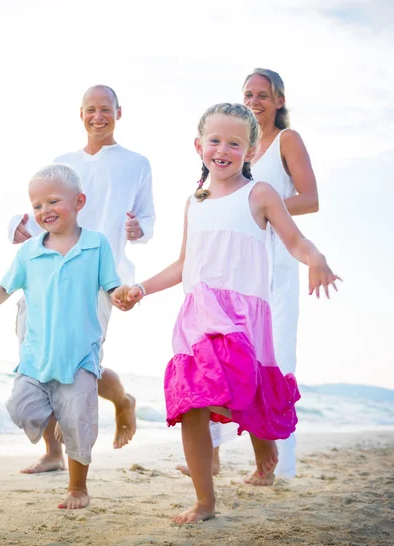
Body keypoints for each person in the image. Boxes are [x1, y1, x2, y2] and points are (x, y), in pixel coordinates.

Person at [111, 103, 340, 524]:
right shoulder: (193, 201)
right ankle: (205, 501)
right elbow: (185, 263)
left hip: (241, 315)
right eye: (215, 141)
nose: (223, 149)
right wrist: (141, 289)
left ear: (250, 152)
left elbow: (294, 240)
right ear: (199, 146)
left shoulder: (261, 195)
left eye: (234, 143)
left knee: (233, 385)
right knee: (191, 402)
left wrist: (317, 259)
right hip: (198, 312)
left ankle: (260, 433)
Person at [178, 68, 320, 485]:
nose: (255, 100)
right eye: (248, 93)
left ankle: (277, 462)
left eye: (263, 94)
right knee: (214, 361)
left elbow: (310, 199)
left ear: (279, 100)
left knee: (266, 363)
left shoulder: (283, 145)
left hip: (268, 262)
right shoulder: (218, 173)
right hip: (222, 266)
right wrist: (232, 205)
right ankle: (214, 456)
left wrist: (258, 208)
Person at [7, 85, 156, 473]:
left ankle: (122, 400)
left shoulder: (136, 163)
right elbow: (39, 208)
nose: (98, 116)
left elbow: (149, 222)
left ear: (118, 113)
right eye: (91, 109)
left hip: (99, 278)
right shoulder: (63, 161)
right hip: (46, 273)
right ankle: (52, 453)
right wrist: (16, 227)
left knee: (80, 366)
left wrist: (139, 229)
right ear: (81, 114)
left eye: (105, 109)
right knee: (39, 361)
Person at [0, 164, 121, 509]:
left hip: (80, 354)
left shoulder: (97, 245)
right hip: (36, 355)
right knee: (21, 408)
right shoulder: (29, 251)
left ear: (79, 201)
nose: (44, 210)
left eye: (53, 201)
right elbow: (5, 287)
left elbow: (111, 286)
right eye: (36, 206)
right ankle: (58, 419)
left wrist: (121, 296)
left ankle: (77, 488)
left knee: (79, 426)